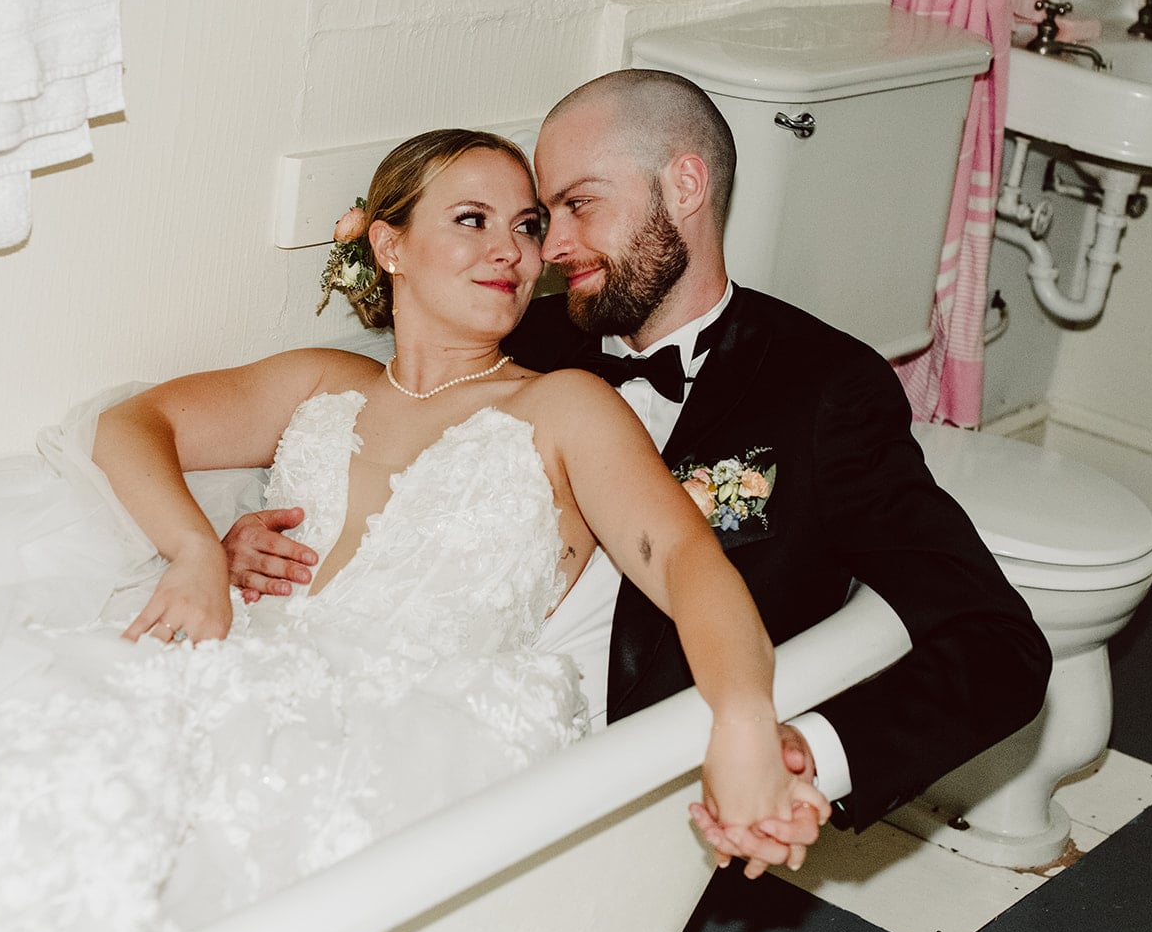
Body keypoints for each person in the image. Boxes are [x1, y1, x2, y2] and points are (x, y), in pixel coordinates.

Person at [0, 128, 823, 932]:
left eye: (527, 226)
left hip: (414, 727)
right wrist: (197, 551)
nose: (510, 251)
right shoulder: (321, 382)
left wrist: (740, 719)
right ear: (389, 243)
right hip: (240, 664)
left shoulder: (563, 406)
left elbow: (687, 561)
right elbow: (127, 425)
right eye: (471, 220)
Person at [223, 71, 1054, 878]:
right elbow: (388, 469)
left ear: (684, 185)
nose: (548, 249)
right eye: (544, 217)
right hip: (419, 712)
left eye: (579, 205)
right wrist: (273, 538)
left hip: (628, 769)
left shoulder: (822, 389)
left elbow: (997, 644)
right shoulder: (514, 331)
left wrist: (806, 748)